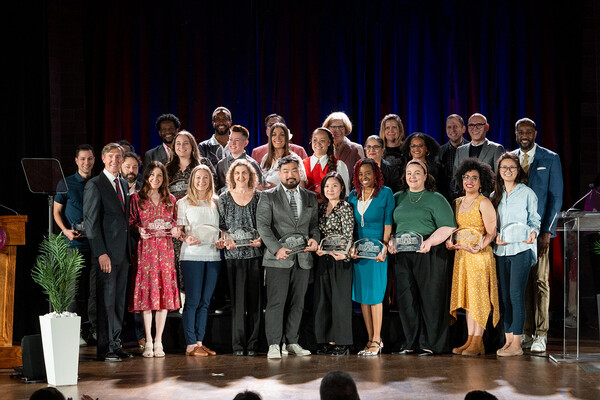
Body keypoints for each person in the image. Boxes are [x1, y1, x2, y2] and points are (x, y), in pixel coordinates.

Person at [388, 159, 455, 355]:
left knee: (431, 298)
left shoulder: (436, 198)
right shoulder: (397, 197)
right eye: (409, 173)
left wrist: (431, 242)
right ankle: (410, 342)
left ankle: (431, 344)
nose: (413, 177)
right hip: (402, 252)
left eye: (417, 173)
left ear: (426, 176)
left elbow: (448, 227)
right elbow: (390, 226)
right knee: (406, 298)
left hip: (429, 251)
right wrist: (391, 240)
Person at [256, 155, 320, 359]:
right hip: (279, 258)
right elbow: (263, 226)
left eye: (294, 171)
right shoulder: (268, 196)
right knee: (276, 302)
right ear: (279, 173)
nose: (290, 175)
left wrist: (315, 239)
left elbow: (314, 226)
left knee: (298, 303)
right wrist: (276, 249)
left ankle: (292, 341)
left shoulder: (310, 197)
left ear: (300, 172)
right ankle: (274, 344)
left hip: (303, 258)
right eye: (285, 171)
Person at [511, 117, 563, 353]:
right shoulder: (509, 159)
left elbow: (556, 199)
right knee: (521, 284)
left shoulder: (550, 158)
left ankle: (541, 333)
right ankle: (526, 332)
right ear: (515, 134)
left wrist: (546, 232)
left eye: (528, 131)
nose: (524, 135)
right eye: (520, 131)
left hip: (539, 233)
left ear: (535, 133)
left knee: (540, 282)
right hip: (515, 233)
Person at [83, 143, 132, 362]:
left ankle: (116, 343)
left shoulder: (122, 183)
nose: (115, 160)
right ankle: (105, 349)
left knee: (119, 302)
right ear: (103, 159)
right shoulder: (95, 184)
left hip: (123, 254)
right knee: (106, 303)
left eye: (119, 157)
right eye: (111, 156)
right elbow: (92, 223)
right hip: (107, 256)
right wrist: (101, 253)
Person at [128, 161, 180, 358]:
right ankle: (148, 340)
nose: (155, 180)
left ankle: (159, 340)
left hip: (165, 251)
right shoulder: (137, 199)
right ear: (147, 177)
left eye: (159, 176)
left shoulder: (171, 200)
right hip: (146, 252)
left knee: (163, 295)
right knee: (147, 295)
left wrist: (176, 230)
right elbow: (131, 222)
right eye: (152, 176)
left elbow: (175, 223)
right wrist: (138, 230)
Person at [491, 153, 541, 357]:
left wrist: (533, 233)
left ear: (518, 170)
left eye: (512, 167)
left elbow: (534, 219)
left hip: (521, 248)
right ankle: (508, 340)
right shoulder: (495, 193)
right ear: (499, 171)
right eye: (504, 167)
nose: (508, 171)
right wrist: (494, 236)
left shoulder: (527, 193)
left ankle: (517, 344)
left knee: (516, 295)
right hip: (502, 250)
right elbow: (491, 222)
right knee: (505, 299)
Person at [449, 158, 500, 356]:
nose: (469, 181)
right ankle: (470, 339)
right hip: (462, 257)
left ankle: (479, 342)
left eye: (474, 178)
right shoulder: (458, 202)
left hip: (479, 258)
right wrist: (450, 242)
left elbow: (492, 232)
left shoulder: (484, 202)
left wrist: (479, 248)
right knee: (469, 300)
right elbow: (455, 230)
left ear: (481, 182)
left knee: (479, 299)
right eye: (466, 177)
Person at [176, 165, 224, 356]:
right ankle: (190, 345)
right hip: (192, 255)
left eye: (205, 178)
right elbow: (179, 231)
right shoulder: (184, 202)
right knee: (193, 301)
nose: (202, 181)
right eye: (198, 178)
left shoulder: (216, 201)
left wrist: (223, 240)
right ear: (192, 180)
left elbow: (222, 228)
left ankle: (199, 341)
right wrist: (185, 238)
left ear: (210, 181)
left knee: (205, 302)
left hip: (212, 254)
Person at [348, 158, 394, 356]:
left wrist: (383, 247)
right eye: (360, 174)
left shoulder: (386, 193)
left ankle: (377, 339)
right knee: (363, 297)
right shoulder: (352, 195)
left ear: (376, 174)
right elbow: (351, 225)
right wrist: (351, 246)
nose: (364, 177)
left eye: (368, 173)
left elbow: (388, 222)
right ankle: (369, 339)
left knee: (375, 297)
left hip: (377, 252)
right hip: (359, 252)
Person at [218, 159, 263, 356]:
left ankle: (253, 344)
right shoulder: (224, 198)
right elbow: (220, 224)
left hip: (254, 254)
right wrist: (226, 238)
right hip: (233, 255)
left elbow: (265, 223)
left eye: (245, 173)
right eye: (237, 173)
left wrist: (262, 239)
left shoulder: (259, 197)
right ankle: (237, 345)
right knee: (237, 302)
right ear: (232, 176)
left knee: (255, 302)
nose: (241, 176)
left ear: (251, 175)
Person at [53, 144, 96, 345]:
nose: (86, 162)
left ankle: (94, 330)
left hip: (96, 245)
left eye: (89, 159)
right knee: (73, 290)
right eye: (83, 159)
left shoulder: (99, 182)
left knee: (94, 290)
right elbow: (56, 212)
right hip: (74, 245)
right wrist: (65, 230)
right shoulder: (66, 183)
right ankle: (75, 333)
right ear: (76, 161)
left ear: (94, 160)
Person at [166, 130, 215, 291]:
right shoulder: (168, 169)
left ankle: (198, 298)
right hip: (176, 221)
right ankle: (180, 300)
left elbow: (214, 190)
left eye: (185, 143)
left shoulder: (203, 164)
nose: (182, 146)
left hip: (199, 219)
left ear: (192, 146)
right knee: (177, 261)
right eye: (178, 143)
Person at [314, 172, 354, 356]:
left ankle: (342, 342)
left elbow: (348, 234)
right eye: (327, 186)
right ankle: (325, 340)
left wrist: (343, 254)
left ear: (342, 188)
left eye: (334, 186)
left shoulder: (345, 207)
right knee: (324, 299)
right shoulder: (321, 208)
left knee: (340, 301)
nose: (330, 189)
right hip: (323, 258)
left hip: (340, 259)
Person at [303, 127, 350, 198]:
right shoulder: (302, 164)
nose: (318, 143)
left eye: (322, 140)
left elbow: (345, 194)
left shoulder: (339, 165)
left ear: (329, 142)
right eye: (315, 140)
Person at [215, 125, 263, 194]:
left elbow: (259, 189)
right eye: (230, 139)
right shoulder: (221, 164)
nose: (233, 143)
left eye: (237, 140)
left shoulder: (252, 164)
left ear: (245, 143)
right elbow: (217, 190)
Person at [260, 122, 307, 189]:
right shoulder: (266, 158)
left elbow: (301, 188)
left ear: (287, 138)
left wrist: (277, 189)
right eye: (274, 135)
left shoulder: (294, 158)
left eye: (282, 135)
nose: (277, 138)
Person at [438, 114, 469, 201]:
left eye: (455, 126)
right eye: (449, 127)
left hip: (468, 197)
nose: (452, 130)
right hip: (445, 198)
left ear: (463, 129)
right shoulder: (439, 152)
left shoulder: (472, 149)